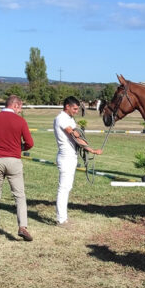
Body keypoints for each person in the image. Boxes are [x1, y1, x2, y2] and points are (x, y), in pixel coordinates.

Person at [0, 95, 34, 241]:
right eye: (20, 108)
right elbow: (30, 142)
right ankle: (22, 226)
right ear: (15, 106)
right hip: (14, 161)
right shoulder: (20, 121)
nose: (20, 111)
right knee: (19, 196)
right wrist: (20, 147)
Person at [54, 96, 102, 226]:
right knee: (63, 188)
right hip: (66, 157)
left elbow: (77, 135)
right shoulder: (61, 119)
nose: (76, 111)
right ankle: (61, 219)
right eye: (74, 109)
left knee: (67, 187)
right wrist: (91, 150)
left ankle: (63, 217)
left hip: (71, 156)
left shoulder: (69, 119)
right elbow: (74, 136)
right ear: (67, 107)